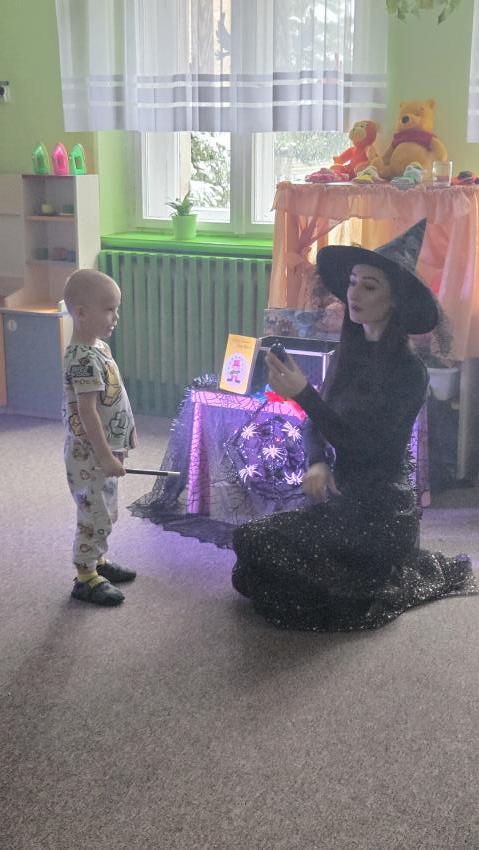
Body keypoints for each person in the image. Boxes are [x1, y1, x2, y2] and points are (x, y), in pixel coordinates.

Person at [231, 219, 478, 631]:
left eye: (370, 286)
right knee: (249, 546)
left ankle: (364, 578)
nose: (354, 294)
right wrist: (317, 462)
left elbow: (367, 448)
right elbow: (318, 424)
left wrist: (303, 394)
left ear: (394, 301)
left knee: (288, 576)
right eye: (352, 282)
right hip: (341, 500)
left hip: (382, 514)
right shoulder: (349, 355)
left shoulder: (409, 372)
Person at [62, 269, 137, 606]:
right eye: (109, 309)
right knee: (93, 515)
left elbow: (112, 398)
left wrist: (122, 440)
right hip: (91, 455)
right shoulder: (82, 360)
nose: (115, 317)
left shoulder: (99, 348)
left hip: (105, 450)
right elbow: (87, 413)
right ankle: (85, 578)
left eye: (116, 308)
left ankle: (97, 561)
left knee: (105, 508)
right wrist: (105, 455)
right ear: (81, 312)